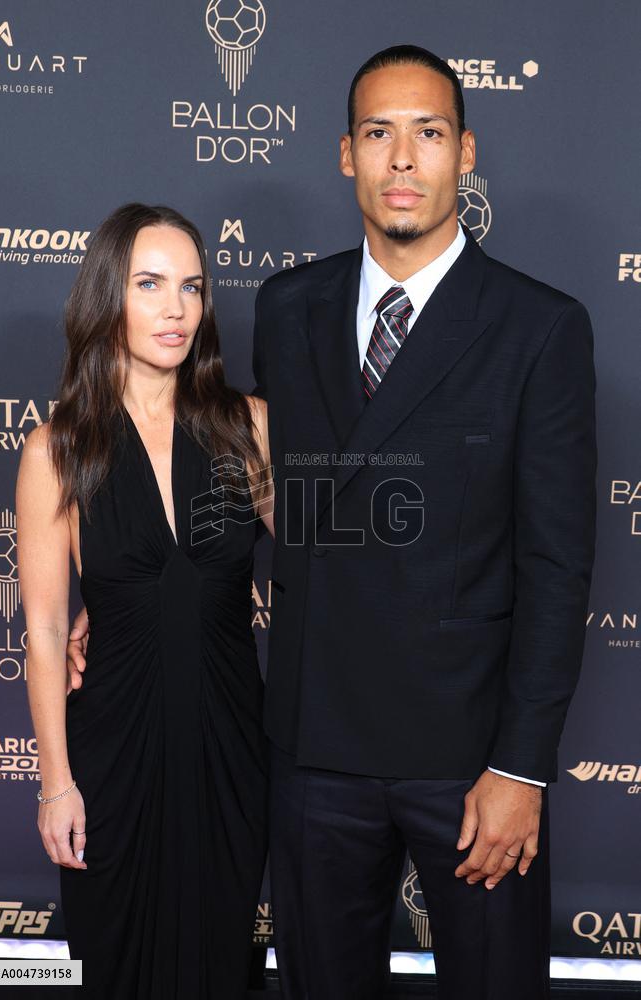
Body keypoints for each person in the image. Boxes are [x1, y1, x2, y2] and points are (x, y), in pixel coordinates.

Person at [250, 46, 596, 999]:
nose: (403, 158)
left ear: (466, 153)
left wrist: (522, 770)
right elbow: (275, 499)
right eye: (379, 133)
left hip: (468, 764)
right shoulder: (286, 309)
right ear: (346, 156)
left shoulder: (539, 327)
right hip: (315, 750)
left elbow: (558, 566)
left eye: (429, 133)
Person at [17, 203, 272, 998]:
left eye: (192, 287)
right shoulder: (58, 448)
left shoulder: (247, 428)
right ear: (107, 297)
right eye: (151, 284)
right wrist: (56, 781)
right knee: (120, 961)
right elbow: (49, 628)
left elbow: (319, 568)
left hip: (233, 743)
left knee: (221, 957)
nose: (176, 309)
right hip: (113, 754)